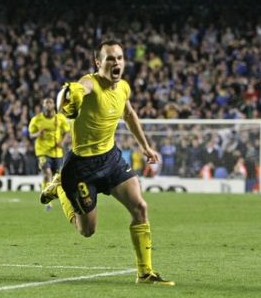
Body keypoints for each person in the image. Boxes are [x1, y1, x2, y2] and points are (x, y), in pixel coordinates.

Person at [41, 39, 174, 285]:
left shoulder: (123, 87)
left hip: (111, 158)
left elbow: (129, 113)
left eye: (120, 57)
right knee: (87, 231)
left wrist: (145, 146)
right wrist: (71, 94)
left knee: (140, 208)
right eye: (110, 58)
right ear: (98, 62)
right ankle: (60, 187)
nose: (116, 62)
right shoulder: (90, 82)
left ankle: (145, 273)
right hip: (82, 167)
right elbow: (79, 89)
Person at [28, 97, 70, 210]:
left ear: (53, 105)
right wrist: (38, 134)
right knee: (47, 173)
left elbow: (67, 131)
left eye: (50, 102)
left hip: (57, 152)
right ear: (43, 105)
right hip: (42, 151)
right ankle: (47, 201)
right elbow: (31, 134)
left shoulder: (60, 118)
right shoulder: (37, 119)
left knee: (58, 177)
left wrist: (62, 142)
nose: (48, 104)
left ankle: (57, 196)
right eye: (46, 102)